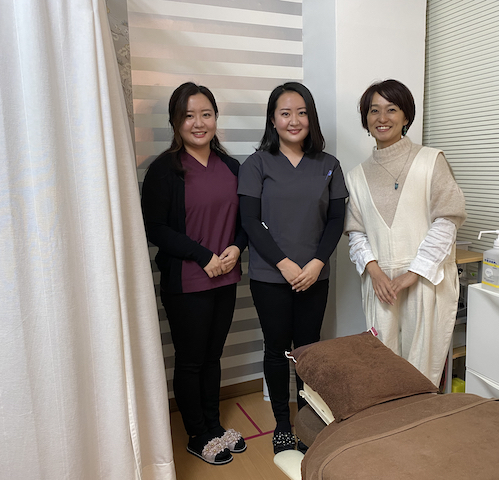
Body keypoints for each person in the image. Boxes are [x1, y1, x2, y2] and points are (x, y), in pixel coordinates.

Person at [141, 82, 248, 465]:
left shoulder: (232, 168)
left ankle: (214, 426)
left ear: (216, 118)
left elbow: (246, 220)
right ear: (175, 121)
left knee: (213, 356)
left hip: (226, 278)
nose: (198, 123)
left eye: (206, 114)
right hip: (186, 283)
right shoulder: (164, 170)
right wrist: (203, 256)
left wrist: (237, 247)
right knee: (191, 360)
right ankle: (196, 434)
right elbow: (155, 228)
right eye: (189, 116)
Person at [238, 82, 348, 454]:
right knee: (276, 349)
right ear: (273, 120)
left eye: (301, 112)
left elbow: (336, 220)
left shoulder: (329, 165)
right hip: (271, 277)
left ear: (310, 118)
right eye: (285, 113)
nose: (294, 120)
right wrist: (284, 264)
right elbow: (250, 221)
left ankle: (307, 420)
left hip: (314, 276)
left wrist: (317, 263)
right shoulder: (256, 164)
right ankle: (282, 424)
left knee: (308, 350)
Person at [344, 79, 466, 387]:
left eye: (391, 109)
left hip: (425, 281)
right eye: (374, 110)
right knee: (383, 366)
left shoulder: (431, 161)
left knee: (422, 370)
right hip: (381, 285)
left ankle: (422, 418)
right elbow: (356, 232)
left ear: (406, 116)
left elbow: (447, 220)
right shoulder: (357, 176)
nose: (382, 118)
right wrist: (375, 273)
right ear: (366, 119)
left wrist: (412, 273)